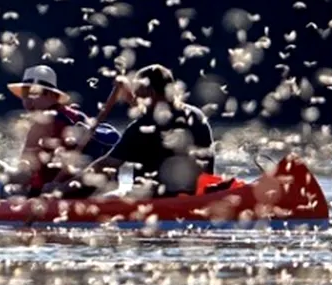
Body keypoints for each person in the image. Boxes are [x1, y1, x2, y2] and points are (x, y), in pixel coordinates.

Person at [47, 64, 216, 199]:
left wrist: (62, 188)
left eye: (137, 94)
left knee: (102, 196)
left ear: (150, 92)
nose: (135, 100)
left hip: (155, 201)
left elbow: (104, 166)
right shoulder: (195, 115)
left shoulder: (141, 128)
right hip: (198, 195)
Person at [0, 64, 121, 197]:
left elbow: (26, 173)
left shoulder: (41, 125)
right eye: (25, 94)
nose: (27, 101)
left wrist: (0, 177)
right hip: (90, 192)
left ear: (52, 95)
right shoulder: (78, 116)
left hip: (54, 196)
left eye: (34, 93)